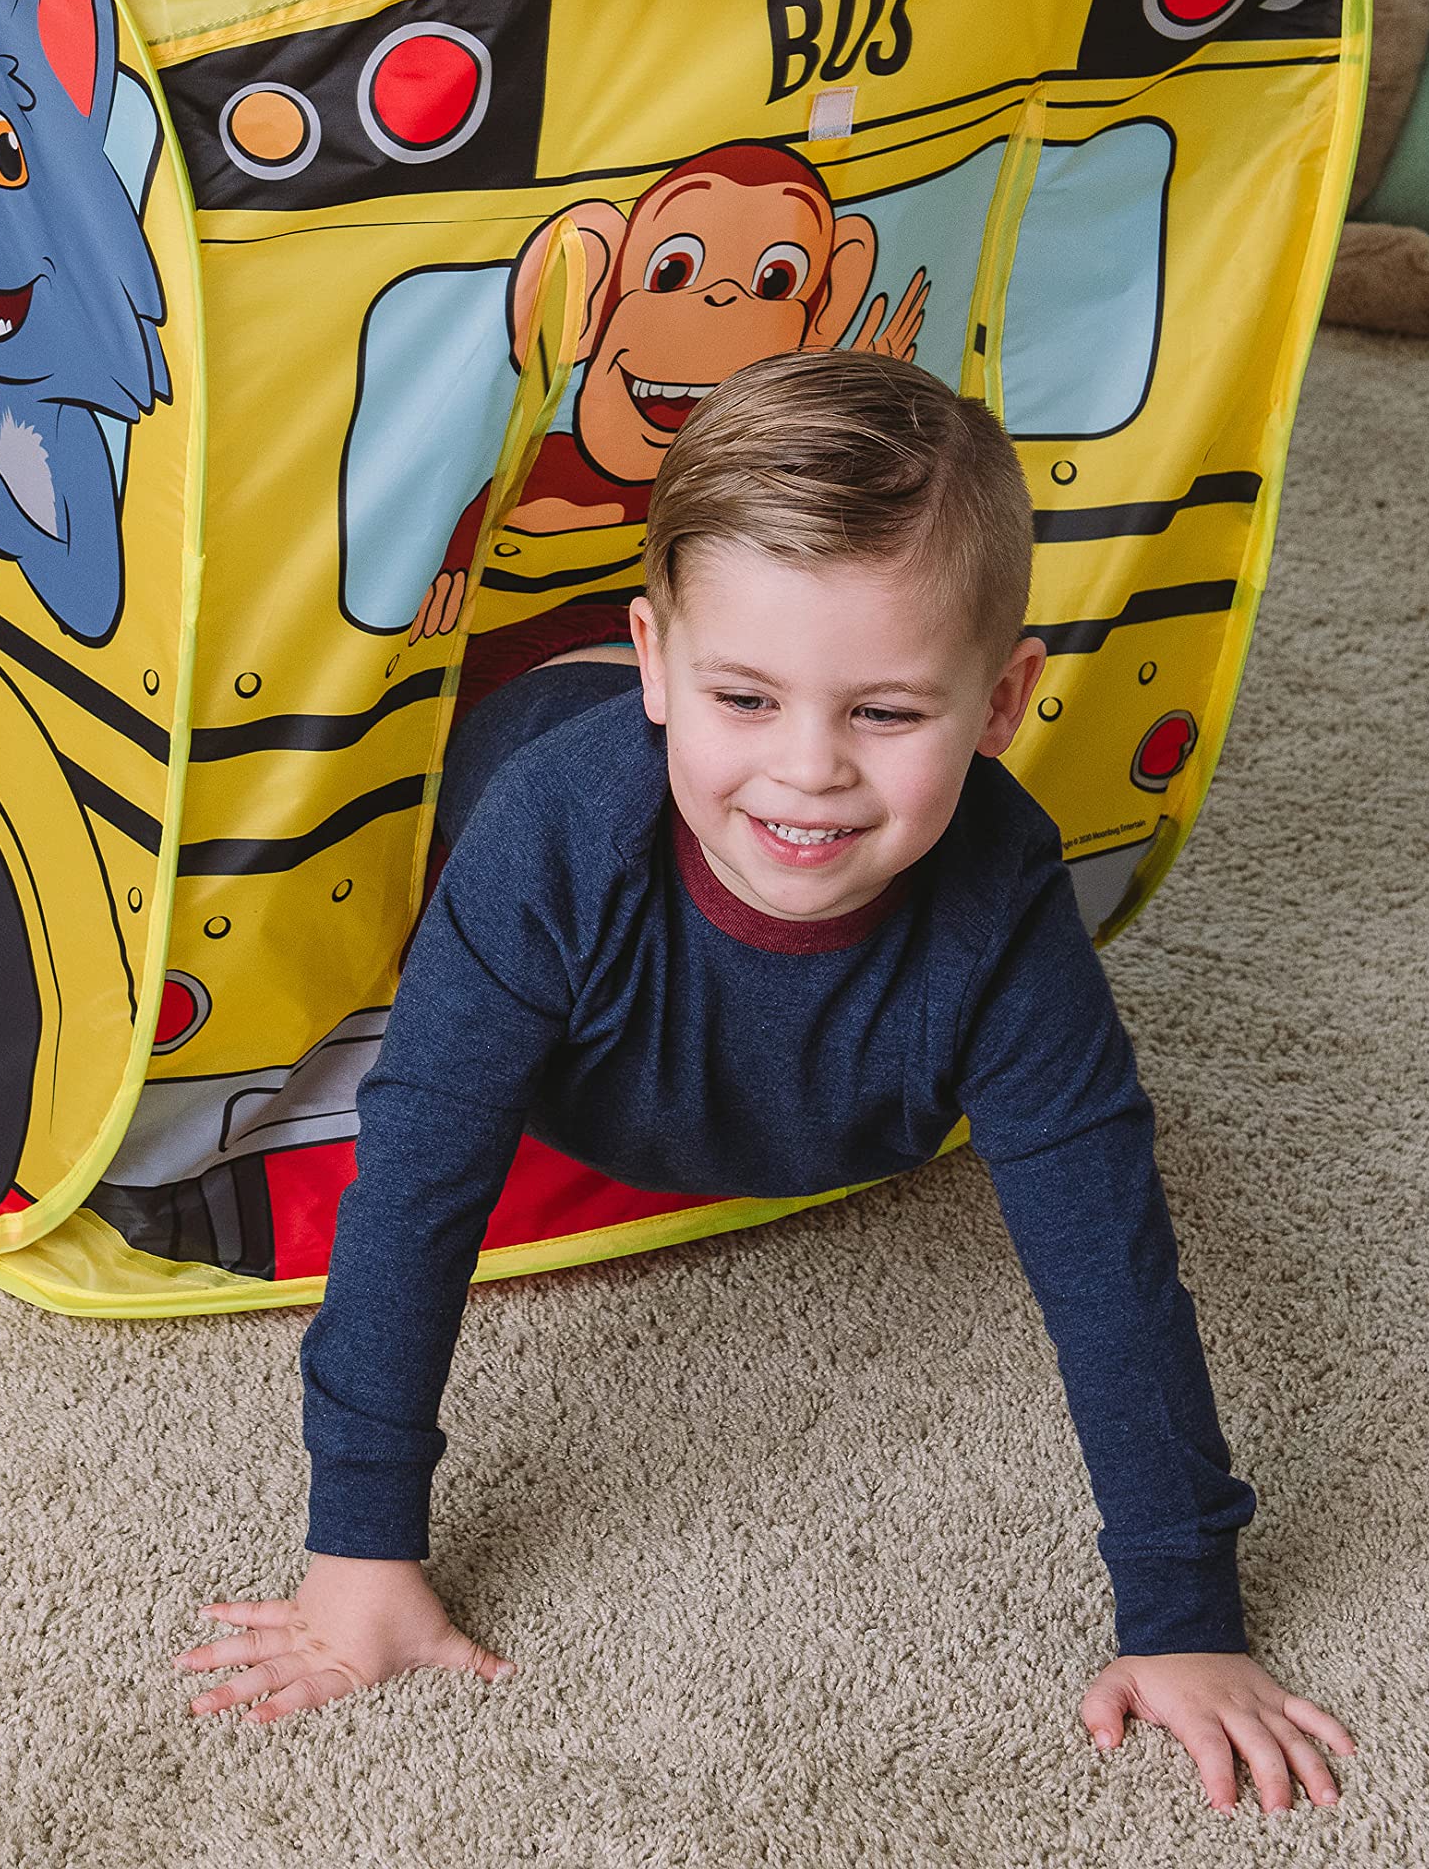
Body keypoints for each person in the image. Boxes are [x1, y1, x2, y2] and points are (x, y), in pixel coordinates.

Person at [175, 351, 1355, 1817]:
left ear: (1002, 704)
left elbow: (1110, 1256)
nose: (809, 774)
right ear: (668, 664)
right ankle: (612, 671)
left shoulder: (1003, 897)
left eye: (886, 714)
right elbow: (413, 1191)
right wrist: (363, 1556)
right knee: (479, 873)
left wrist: (1186, 1616)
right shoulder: (550, 844)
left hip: (683, 776)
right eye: (746, 694)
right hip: (550, 742)